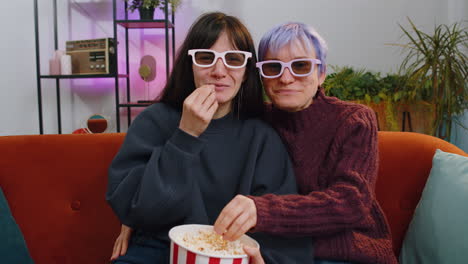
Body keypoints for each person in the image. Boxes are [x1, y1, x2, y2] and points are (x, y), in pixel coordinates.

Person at [106, 13, 313, 264]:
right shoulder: (154, 121)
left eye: (233, 59)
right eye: (206, 58)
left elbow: (283, 228)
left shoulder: (262, 137)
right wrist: (186, 135)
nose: (219, 71)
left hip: (232, 255)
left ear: (246, 72)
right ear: (189, 65)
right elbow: (136, 209)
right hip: (158, 251)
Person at [213, 22, 398, 264]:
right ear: (261, 75)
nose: (286, 78)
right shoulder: (257, 121)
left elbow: (352, 202)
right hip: (278, 253)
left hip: (350, 253)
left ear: (321, 74)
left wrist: (263, 211)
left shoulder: (354, 120)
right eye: (273, 67)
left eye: (300, 66)